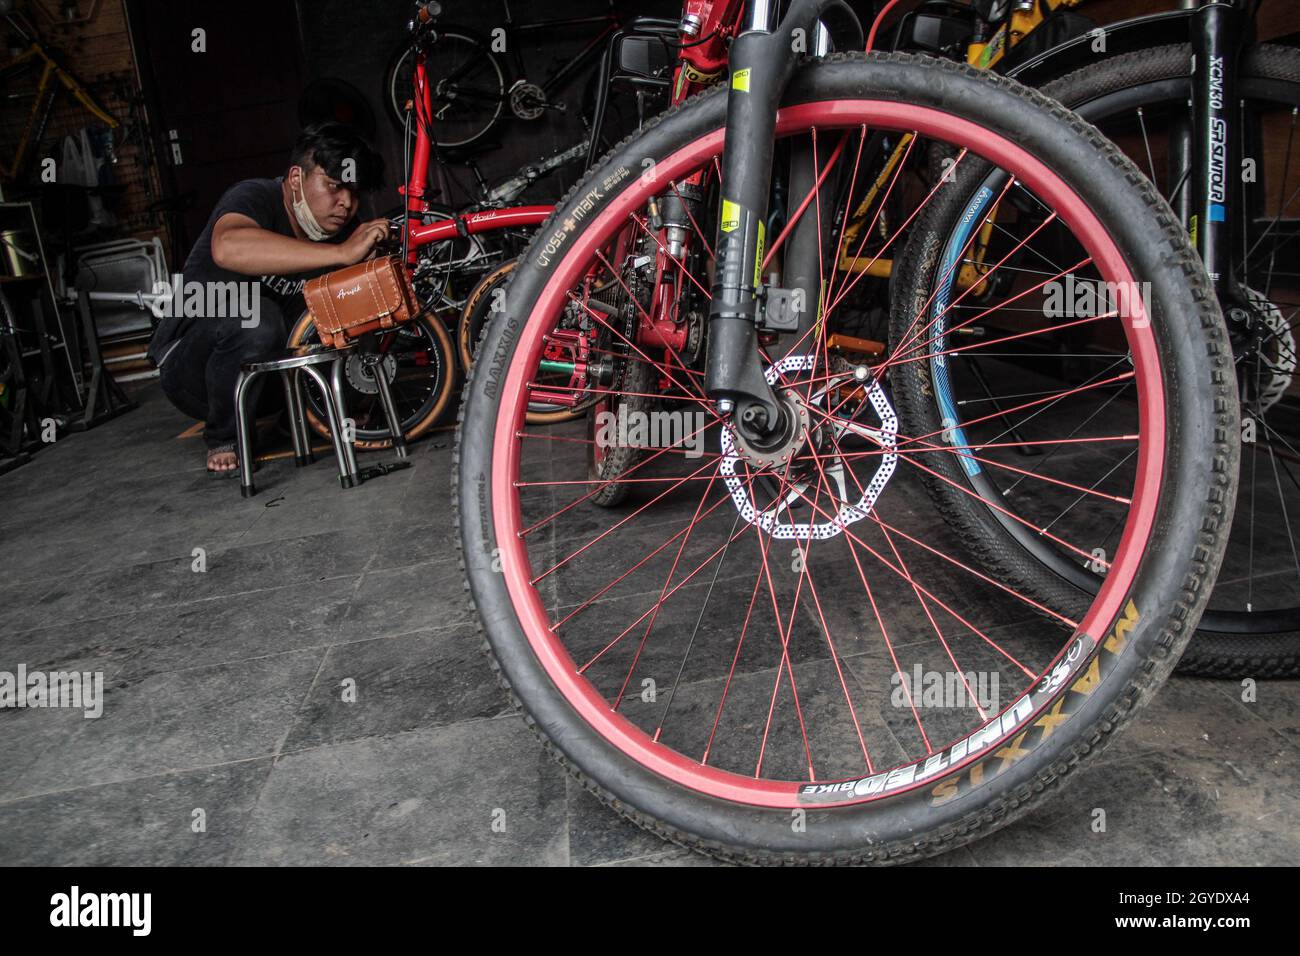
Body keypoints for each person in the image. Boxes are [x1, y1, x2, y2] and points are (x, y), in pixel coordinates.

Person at [147, 122, 389, 476]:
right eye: (334, 187)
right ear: (295, 179)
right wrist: (339, 254)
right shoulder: (255, 195)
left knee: (350, 302)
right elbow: (227, 248)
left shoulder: (343, 230)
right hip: (193, 370)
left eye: (355, 193)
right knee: (256, 316)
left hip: (269, 378)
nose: (346, 204)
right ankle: (224, 435)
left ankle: (302, 418)